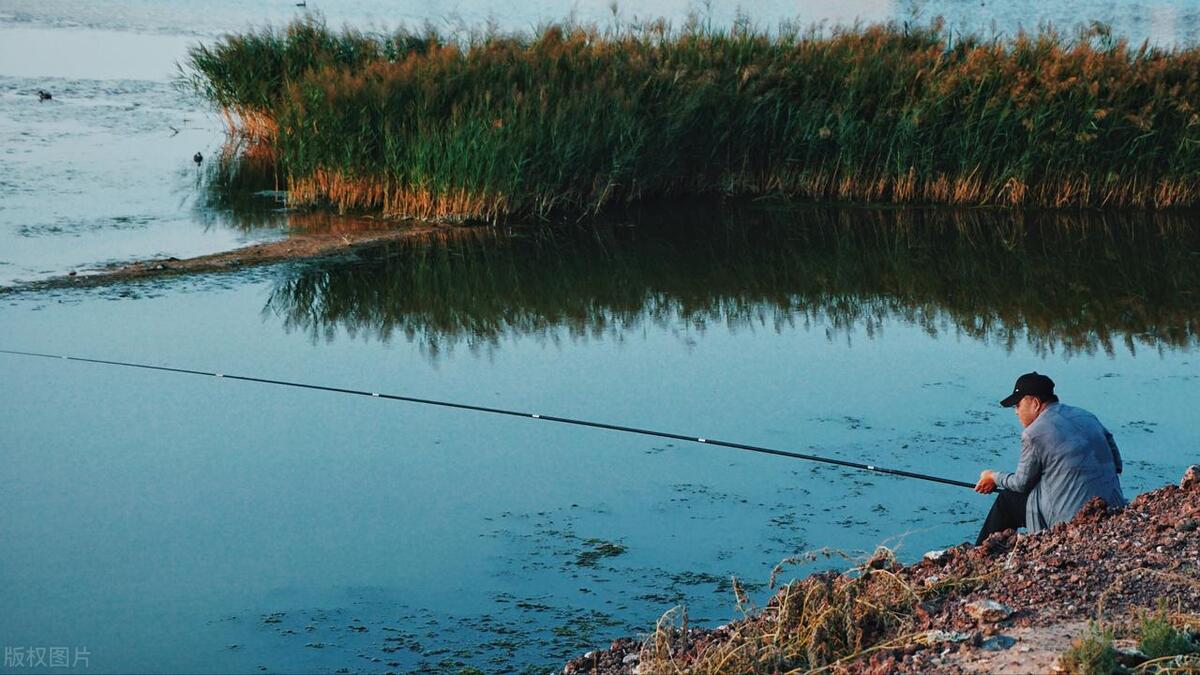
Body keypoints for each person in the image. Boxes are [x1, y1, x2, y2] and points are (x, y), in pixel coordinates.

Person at [973, 372, 1125, 545]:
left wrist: (993, 476)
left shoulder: (1034, 433)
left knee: (1008, 499)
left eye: (1017, 405)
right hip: (1115, 511)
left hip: (1072, 522)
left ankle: (980, 553)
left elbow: (1021, 483)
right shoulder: (1087, 416)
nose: (1016, 412)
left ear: (1035, 403)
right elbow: (1117, 464)